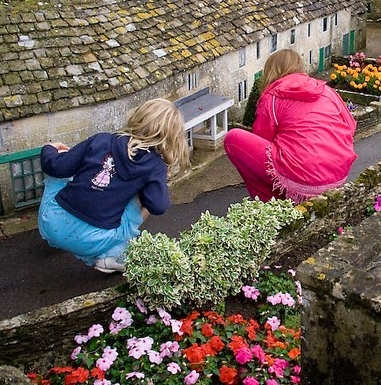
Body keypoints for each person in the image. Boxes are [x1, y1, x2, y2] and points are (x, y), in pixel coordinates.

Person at [39, 98, 189, 273]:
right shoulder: (155, 166)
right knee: (143, 199)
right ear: (172, 136)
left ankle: (56, 238)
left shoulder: (101, 139)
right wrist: (155, 180)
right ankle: (112, 255)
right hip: (92, 241)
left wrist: (49, 149)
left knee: (66, 160)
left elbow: (56, 166)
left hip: (51, 222)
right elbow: (158, 206)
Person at [224, 49, 357, 204]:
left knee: (233, 139)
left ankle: (270, 201)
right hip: (337, 175)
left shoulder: (272, 98)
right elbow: (350, 126)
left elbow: (263, 137)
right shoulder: (327, 91)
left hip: (302, 177)